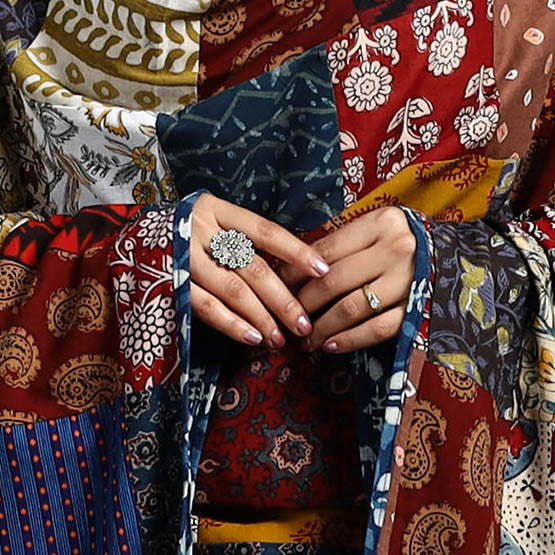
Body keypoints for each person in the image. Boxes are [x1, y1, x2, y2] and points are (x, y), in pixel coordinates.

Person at [0, 0, 553, 553]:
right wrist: (140, 248)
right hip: (112, 499)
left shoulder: (528, 16)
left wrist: (457, 267)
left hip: (406, 486)